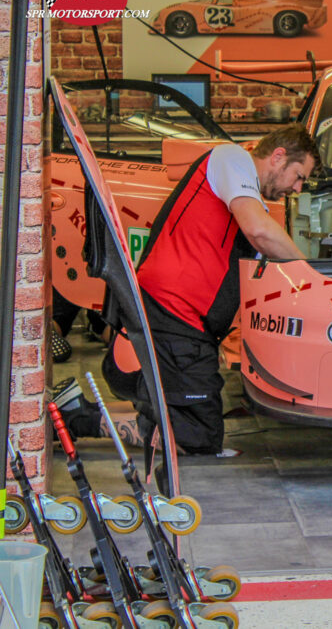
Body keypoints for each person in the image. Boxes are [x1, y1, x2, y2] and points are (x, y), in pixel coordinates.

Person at [103, 124, 318, 456]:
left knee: (196, 423)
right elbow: (259, 232)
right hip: (171, 313)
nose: (299, 187)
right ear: (278, 156)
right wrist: (314, 275)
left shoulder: (246, 197)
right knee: (200, 437)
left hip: (190, 327)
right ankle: (82, 418)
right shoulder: (231, 158)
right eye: (299, 175)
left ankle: (143, 411)